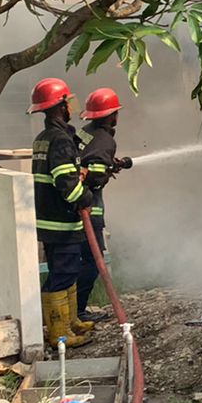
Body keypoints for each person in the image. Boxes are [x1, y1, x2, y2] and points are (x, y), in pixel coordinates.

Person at [30, 78, 93, 349]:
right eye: (68, 102)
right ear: (61, 106)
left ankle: (69, 323)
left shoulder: (43, 138)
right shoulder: (61, 140)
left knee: (64, 271)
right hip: (62, 221)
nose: (71, 107)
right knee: (64, 274)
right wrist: (85, 197)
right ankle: (60, 334)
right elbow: (65, 183)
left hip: (49, 220)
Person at [76, 87, 134, 326]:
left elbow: (89, 161)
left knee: (76, 261)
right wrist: (107, 171)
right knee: (93, 261)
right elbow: (96, 175)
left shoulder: (86, 132)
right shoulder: (105, 140)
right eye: (116, 112)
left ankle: (72, 311)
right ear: (111, 116)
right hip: (89, 210)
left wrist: (111, 165)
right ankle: (78, 311)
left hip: (74, 206)